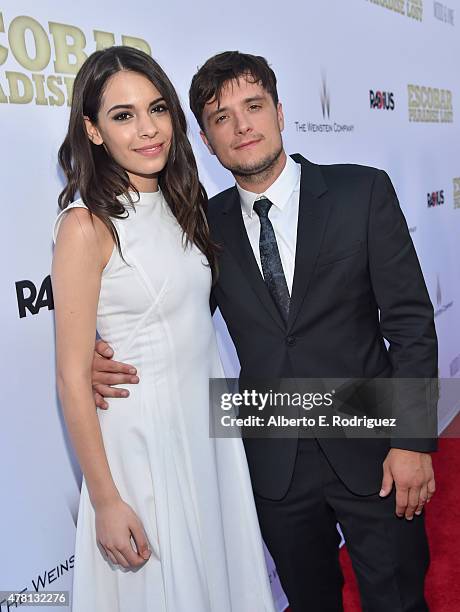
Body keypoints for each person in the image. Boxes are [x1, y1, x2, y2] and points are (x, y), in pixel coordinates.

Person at [92, 51, 438, 611]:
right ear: (205, 140)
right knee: (307, 601)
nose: (242, 126)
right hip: (274, 456)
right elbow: (169, 315)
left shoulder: (362, 192)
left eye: (253, 106)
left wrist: (412, 440)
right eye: (221, 118)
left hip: (372, 441)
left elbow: (411, 323)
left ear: (279, 111)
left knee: (398, 598)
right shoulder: (201, 225)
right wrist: (97, 354)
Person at [52, 46, 275, 612]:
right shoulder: (85, 226)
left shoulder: (185, 205)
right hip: (143, 446)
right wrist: (105, 500)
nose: (148, 129)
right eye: (123, 115)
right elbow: (74, 378)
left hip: (205, 432)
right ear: (93, 131)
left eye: (157, 108)